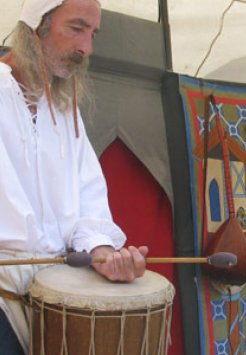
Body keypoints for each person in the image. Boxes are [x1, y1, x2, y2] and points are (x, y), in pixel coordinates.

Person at [0, 1, 148, 353]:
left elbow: (88, 197)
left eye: (92, 34)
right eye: (76, 28)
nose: (87, 49)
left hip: (51, 294)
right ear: (36, 27)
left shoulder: (64, 108)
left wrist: (102, 251)